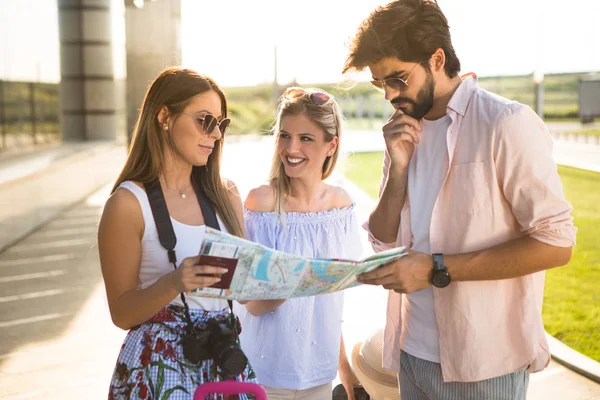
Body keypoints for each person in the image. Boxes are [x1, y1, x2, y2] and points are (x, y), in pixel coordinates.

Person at [342, 1, 577, 399]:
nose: (389, 95)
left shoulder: (505, 124)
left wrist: (434, 267)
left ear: (436, 58)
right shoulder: (400, 130)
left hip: (483, 367)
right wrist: (398, 171)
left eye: (398, 78)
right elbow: (383, 239)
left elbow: (557, 243)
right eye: (379, 83)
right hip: (410, 354)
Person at [98, 67, 256, 399]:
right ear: (164, 117)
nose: (215, 135)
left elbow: (245, 293)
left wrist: (287, 279)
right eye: (205, 120)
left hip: (225, 363)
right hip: (159, 370)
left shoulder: (226, 195)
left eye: (220, 124)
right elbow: (122, 313)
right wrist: (174, 282)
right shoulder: (127, 204)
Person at [234, 87, 362, 400]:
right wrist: (292, 284)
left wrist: (345, 370)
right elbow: (248, 301)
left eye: (306, 138)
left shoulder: (341, 207)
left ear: (331, 145)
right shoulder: (260, 203)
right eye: (284, 135)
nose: (291, 147)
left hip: (318, 375)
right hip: (263, 376)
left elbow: (329, 303)